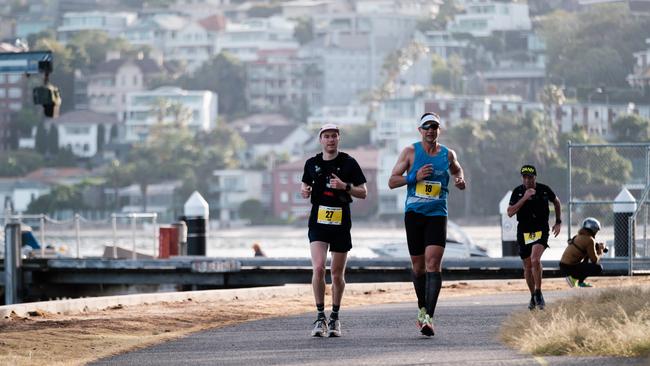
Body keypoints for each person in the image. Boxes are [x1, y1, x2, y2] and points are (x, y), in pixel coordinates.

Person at [388, 112, 466, 337]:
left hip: (437, 214)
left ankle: (429, 318)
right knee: (418, 267)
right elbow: (392, 181)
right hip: (414, 214)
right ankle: (422, 308)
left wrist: (460, 179)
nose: (431, 130)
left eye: (434, 127)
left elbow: (457, 170)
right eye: (426, 127)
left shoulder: (448, 154)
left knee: (433, 264)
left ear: (439, 130)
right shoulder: (410, 152)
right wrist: (415, 177)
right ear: (420, 130)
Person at [301, 123, 367, 337]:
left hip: (340, 223)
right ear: (321, 139)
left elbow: (363, 192)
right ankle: (320, 317)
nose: (330, 140)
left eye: (334, 136)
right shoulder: (311, 163)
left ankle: (335, 317)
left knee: (337, 274)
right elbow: (304, 186)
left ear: (339, 139)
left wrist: (345, 187)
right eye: (326, 136)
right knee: (319, 268)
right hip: (318, 223)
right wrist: (305, 190)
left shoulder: (349, 163)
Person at [507, 165, 561, 310]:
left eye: (530, 177)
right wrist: (524, 198)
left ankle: (538, 292)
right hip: (524, 230)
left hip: (541, 229)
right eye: (524, 177)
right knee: (527, 266)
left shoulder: (544, 189)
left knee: (535, 259)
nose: (527, 180)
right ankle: (532, 295)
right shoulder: (518, 192)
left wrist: (558, 222)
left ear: (535, 178)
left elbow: (556, 202)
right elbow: (510, 212)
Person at [559, 217, 605, 288]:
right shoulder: (590, 240)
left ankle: (581, 282)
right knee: (598, 268)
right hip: (569, 268)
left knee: (587, 256)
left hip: (563, 266)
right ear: (593, 230)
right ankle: (573, 279)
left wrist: (596, 248)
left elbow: (587, 255)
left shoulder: (578, 236)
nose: (596, 232)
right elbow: (594, 260)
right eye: (596, 230)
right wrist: (600, 250)